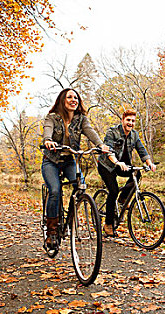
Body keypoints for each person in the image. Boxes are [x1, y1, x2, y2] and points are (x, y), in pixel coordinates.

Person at [42, 88, 108, 249]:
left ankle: (71, 217)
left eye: (76, 97)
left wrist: (100, 145)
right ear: (62, 101)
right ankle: (51, 232)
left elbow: (90, 132)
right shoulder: (52, 117)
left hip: (70, 160)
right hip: (51, 160)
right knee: (55, 191)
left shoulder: (81, 119)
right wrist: (48, 140)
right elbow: (47, 130)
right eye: (70, 97)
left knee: (80, 187)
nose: (74, 100)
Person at [98, 109, 156, 236]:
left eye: (133, 121)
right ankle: (108, 224)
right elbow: (109, 150)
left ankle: (123, 199)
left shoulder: (134, 135)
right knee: (113, 191)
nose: (130, 123)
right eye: (128, 120)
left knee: (137, 173)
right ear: (123, 120)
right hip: (107, 165)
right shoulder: (112, 132)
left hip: (123, 165)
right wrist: (117, 162)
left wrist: (149, 163)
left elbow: (142, 150)